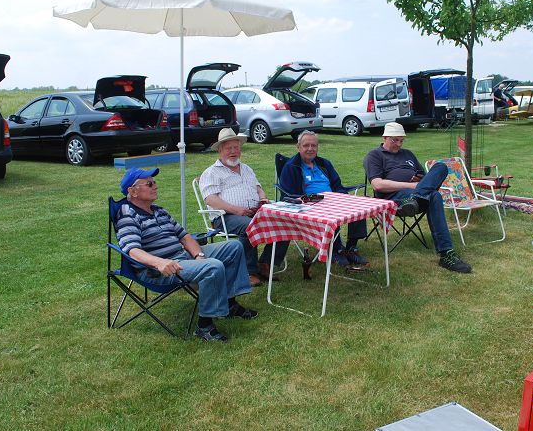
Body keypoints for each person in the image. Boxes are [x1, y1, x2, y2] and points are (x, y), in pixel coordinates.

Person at [115, 167, 256, 343]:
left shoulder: (159, 211)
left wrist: (198, 255)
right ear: (133, 191)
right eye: (149, 184)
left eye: (155, 182)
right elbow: (132, 251)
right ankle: (204, 326)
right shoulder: (127, 215)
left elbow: (184, 236)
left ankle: (229, 303)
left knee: (234, 247)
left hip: (183, 256)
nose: (155, 186)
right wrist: (159, 263)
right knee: (213, 267)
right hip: (159, 269)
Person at [363, 122, 472, 273]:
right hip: (394, 199)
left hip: (413, 200)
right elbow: (377, 185)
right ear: (385, 137)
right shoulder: (374, 155)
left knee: (440, 167)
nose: (399, 144)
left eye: (401, 140)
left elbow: (427, 179)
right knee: (434, 196)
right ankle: (446, 253)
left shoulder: (408, 154)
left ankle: (416, 198)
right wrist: (412, 186)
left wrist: (420, 181)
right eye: (395, 140)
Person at [199, 128, 286, 287]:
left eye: (236, 147)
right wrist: (236, 210)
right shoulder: (211, 172)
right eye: (228, 148)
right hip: (225, 217)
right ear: (220, 150)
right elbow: (211, 199)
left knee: (284, 221)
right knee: (249, 226)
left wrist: (262, 199)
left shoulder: (246, 168)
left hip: (253, 212)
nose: (233, 151)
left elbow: (258, 188)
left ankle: (265, 263)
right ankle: (249, 271)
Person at [278, 130, 369, 271]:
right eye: (306, 145)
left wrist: (343, 198)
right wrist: (315, 198)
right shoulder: (291, 167)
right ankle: (335, 250)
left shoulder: (324, 163)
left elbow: (337, 186)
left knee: (358, 207)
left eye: (313, 145)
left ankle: (351, 248)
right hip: (309, 206)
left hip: (331, 201)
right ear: (298, 147)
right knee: (332, 214)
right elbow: (289, 195)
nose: (310, 149)